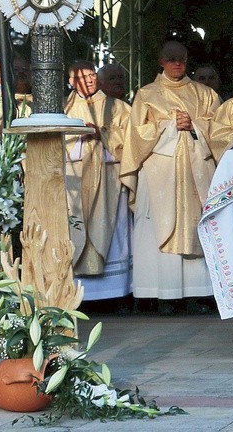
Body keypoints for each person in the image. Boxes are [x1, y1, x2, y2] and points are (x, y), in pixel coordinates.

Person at [119, 41, 221, 314]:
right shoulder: (146, 94)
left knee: (198, 225)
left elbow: (219, 128)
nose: (177, 64)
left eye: (182, 59)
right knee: (155, 228)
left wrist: (196, 125)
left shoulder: (204, 94)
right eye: (171, 59)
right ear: (161, 61)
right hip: (158, 171)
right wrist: (169, 126)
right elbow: (136, 134)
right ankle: (160, 294)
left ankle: (200, 295)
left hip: (195, 169)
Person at [64, 60, 133, 309]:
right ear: (71, 81)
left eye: (92, 75)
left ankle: (116, 295)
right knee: (77, 229)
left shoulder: (119, 107)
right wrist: (76, 135)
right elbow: (55, 144)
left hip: (109, 179)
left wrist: (101, 134)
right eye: (81, 77)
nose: (89, 80)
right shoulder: (64, 108)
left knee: (114, 232)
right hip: (75, 178)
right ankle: (82, 297)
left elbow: (131, 141)